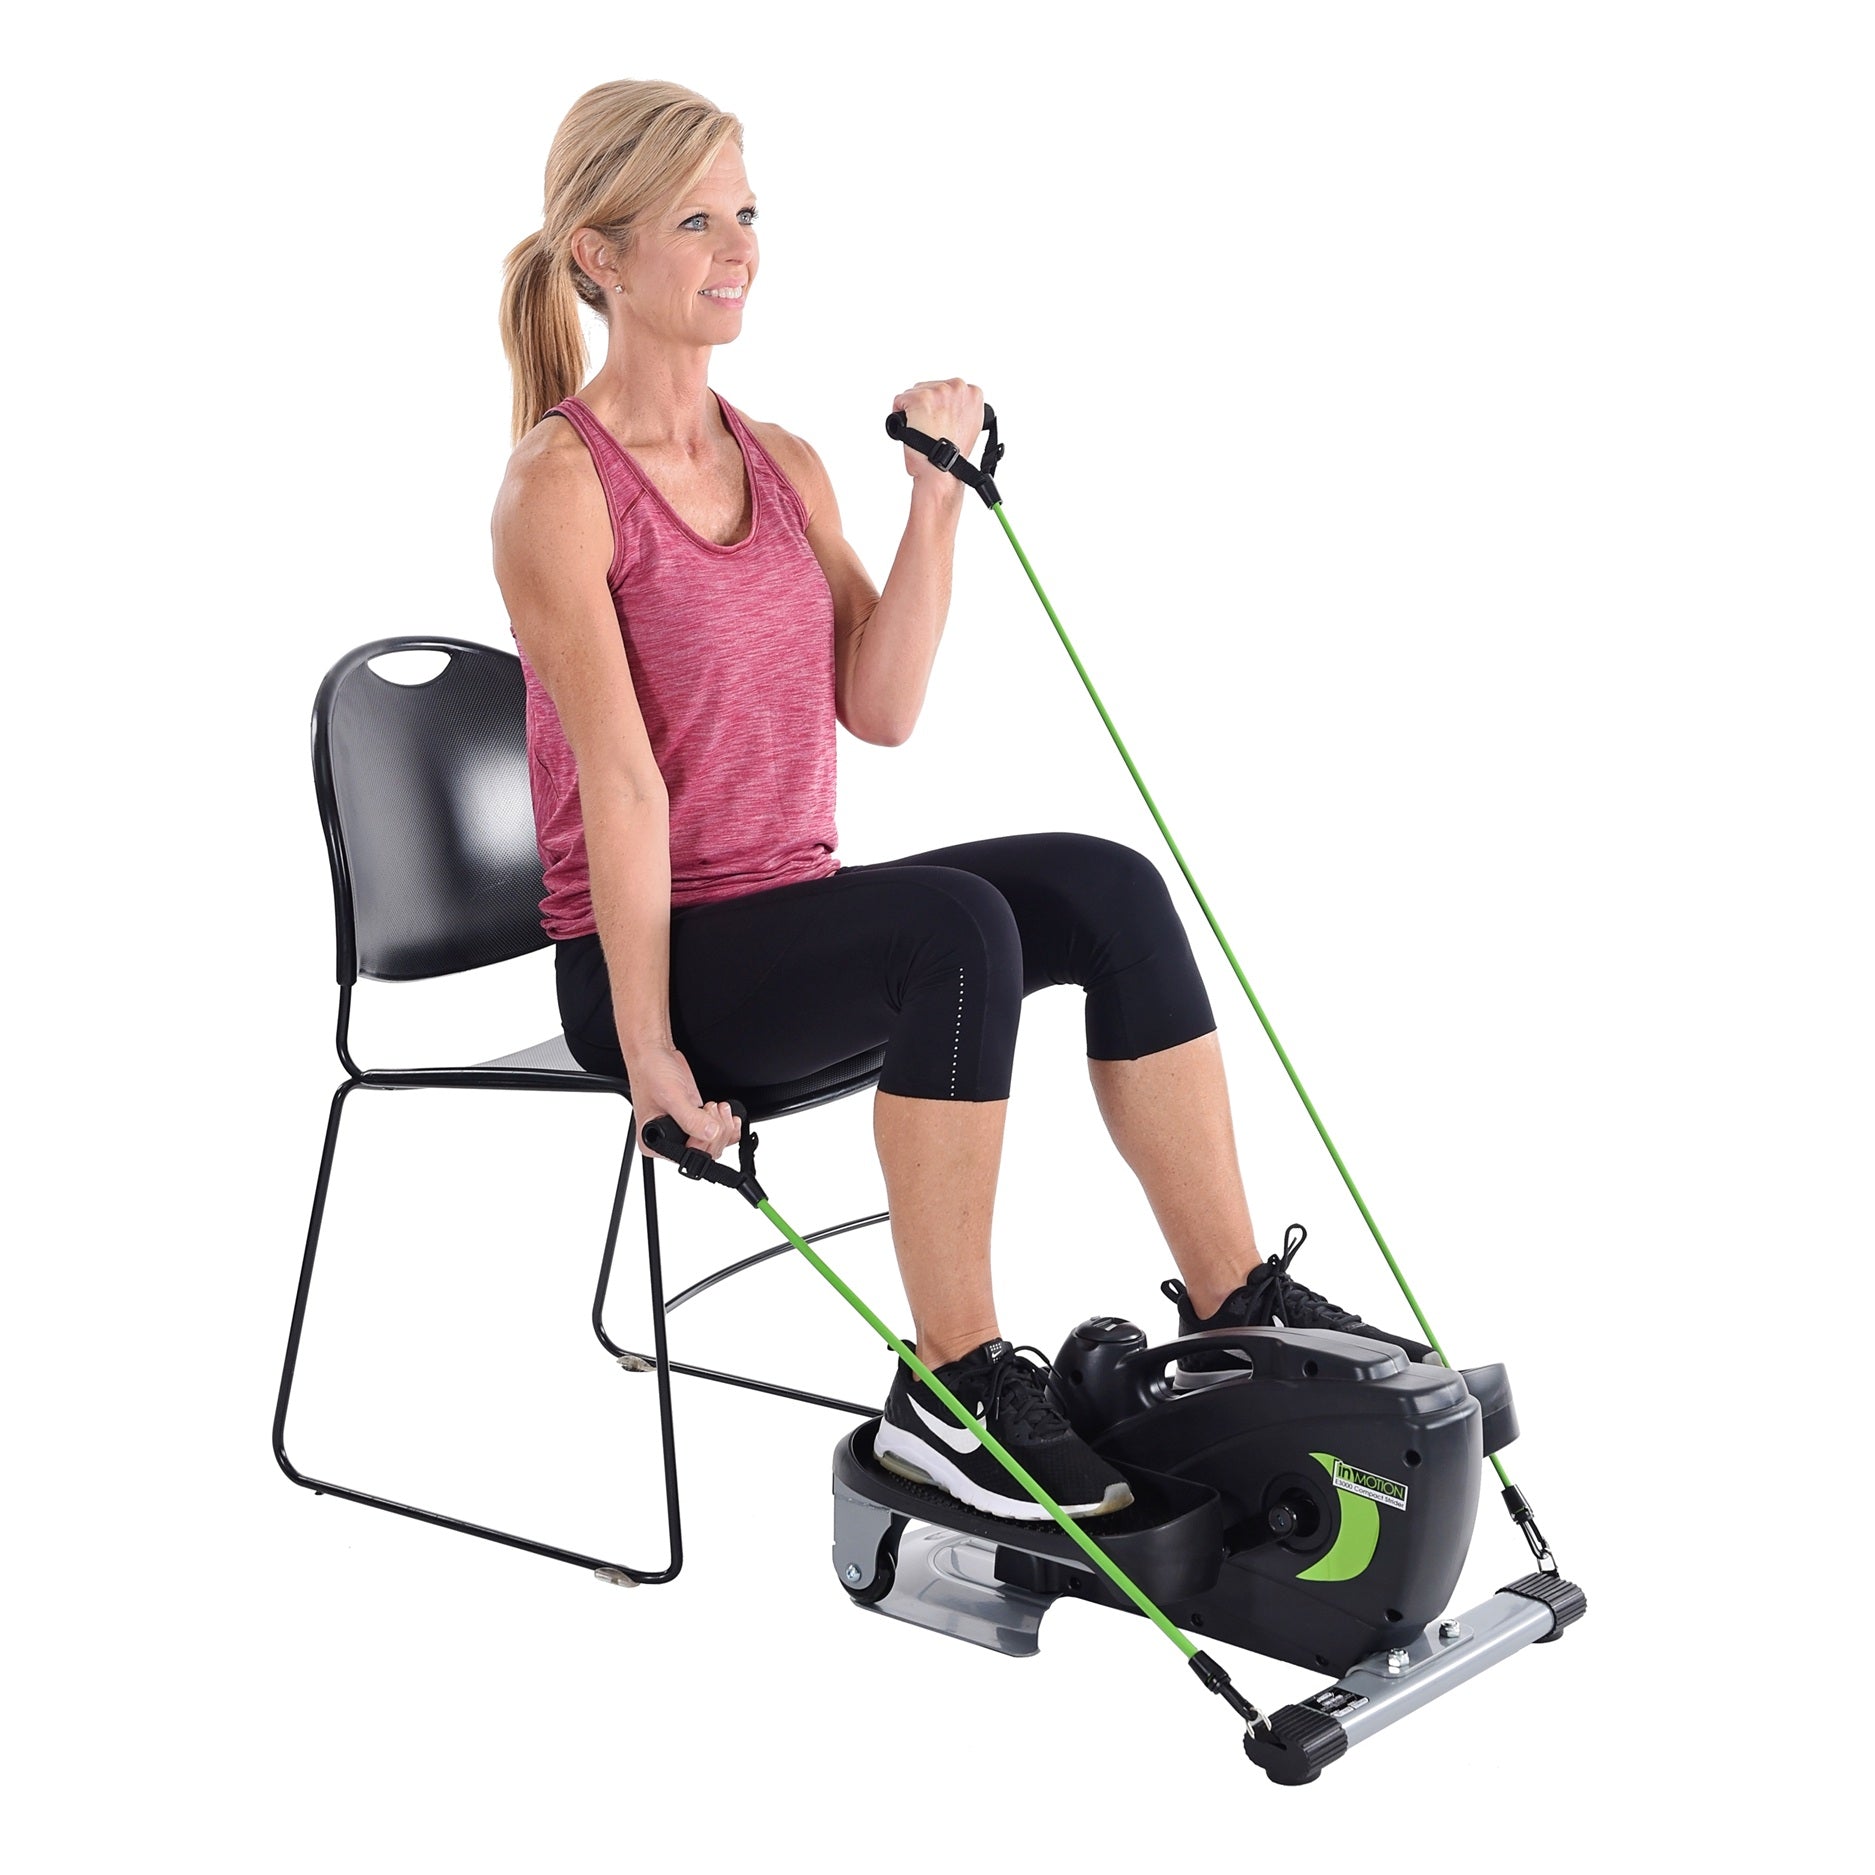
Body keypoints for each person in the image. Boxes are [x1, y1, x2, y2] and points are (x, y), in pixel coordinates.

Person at [491, 79, 1428, 1525]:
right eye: (695, 220)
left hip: (792, 920)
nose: (737, 246)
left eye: (747, 212)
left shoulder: (780, 462)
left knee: (1099, 884)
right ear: (600, 256)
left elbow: (880, 706)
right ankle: (955, 1385)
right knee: (957, 928)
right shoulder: (558, 487)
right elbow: (616, 784)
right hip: (657, 965)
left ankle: (1239, 1308)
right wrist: (649, 1049)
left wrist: (934, 504)